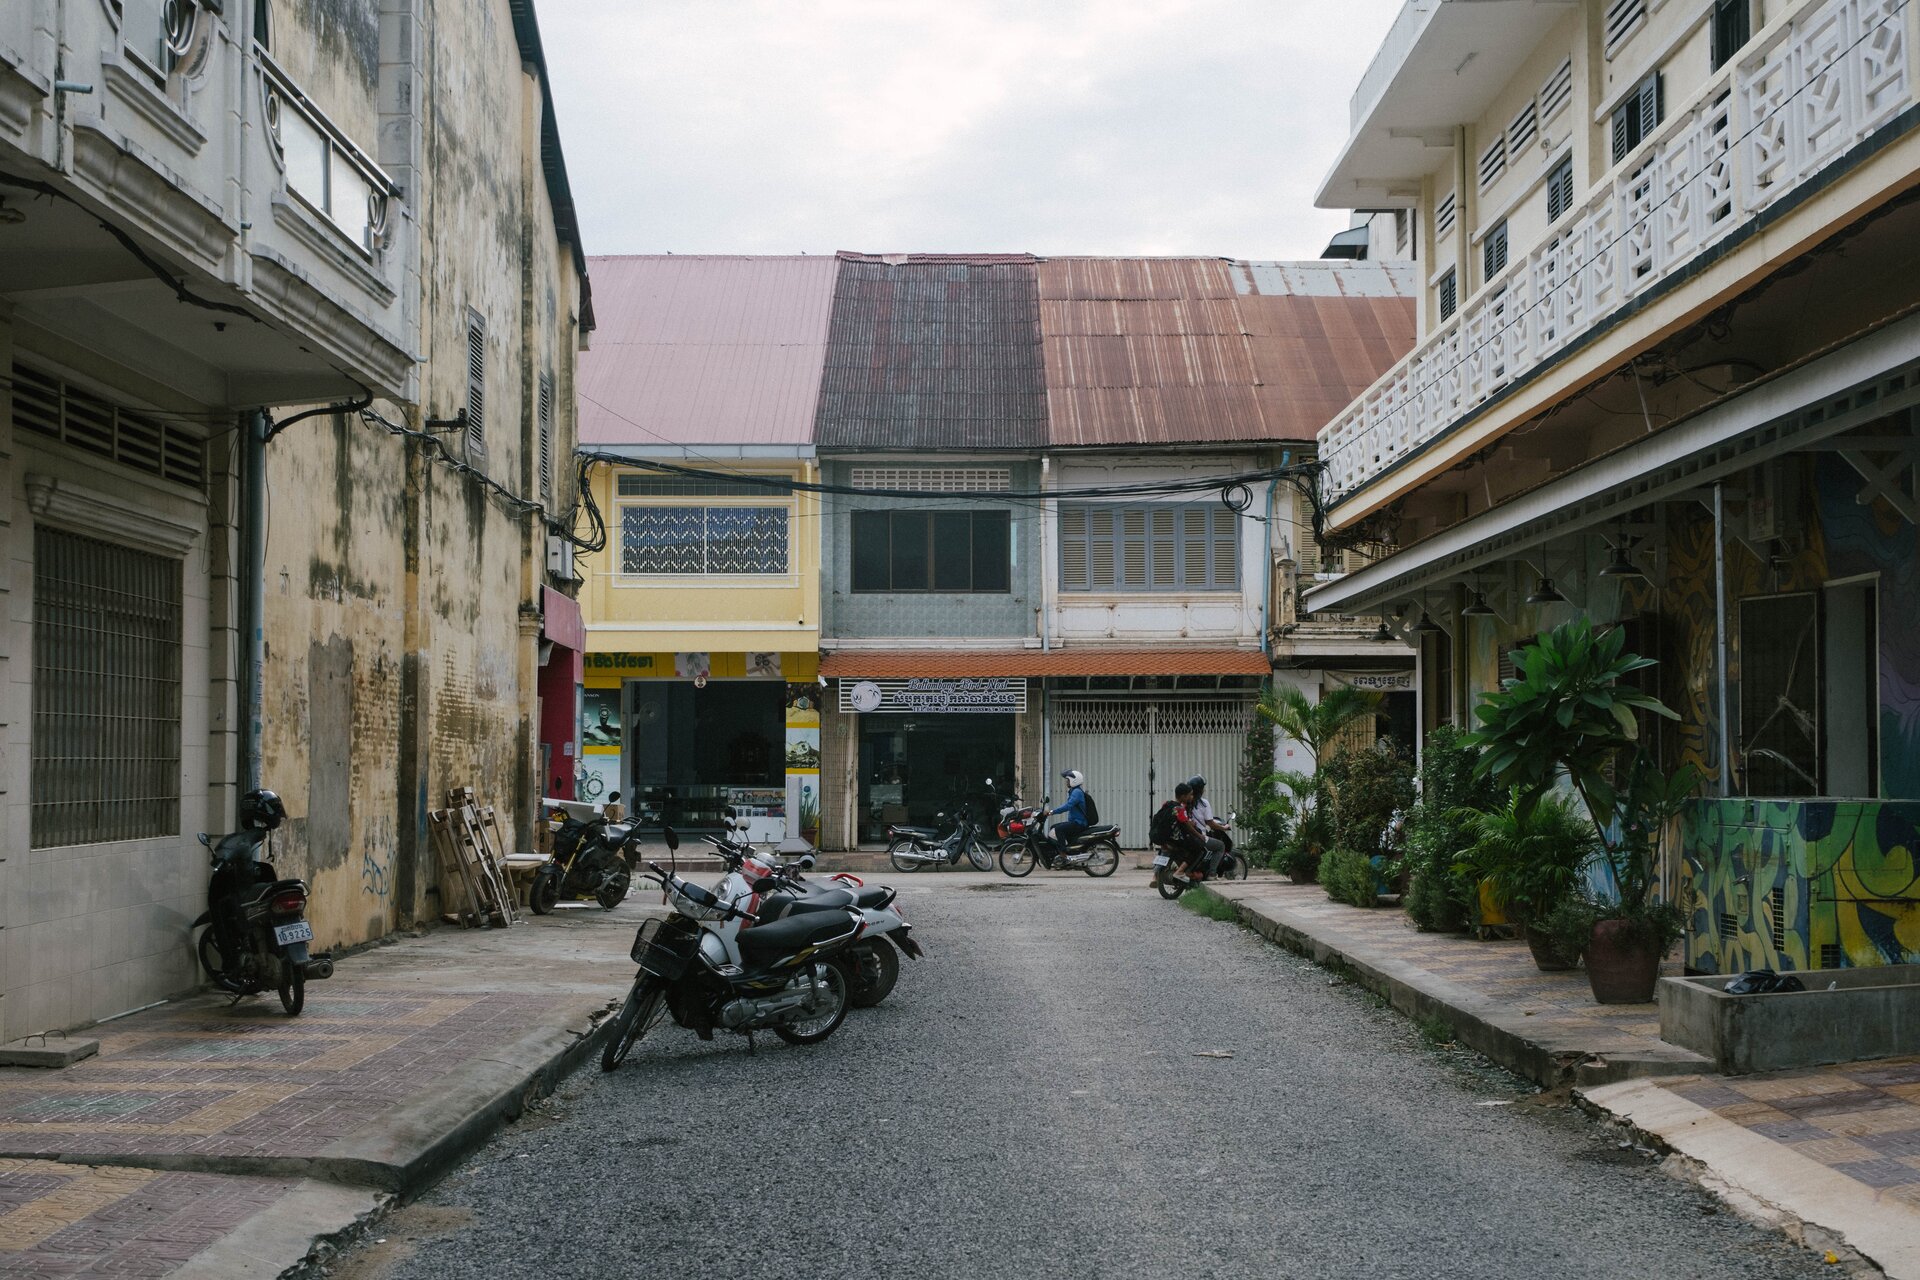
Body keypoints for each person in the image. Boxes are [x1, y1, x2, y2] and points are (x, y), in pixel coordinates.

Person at [1150, 781, 1210, 883]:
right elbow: (1186, 824)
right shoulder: (1180, 808)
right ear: (1183, 796)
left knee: (1164, 851)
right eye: (1190, 795)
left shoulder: (1167, 804)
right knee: (1198, 849)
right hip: (1176, 838)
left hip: (1165, 837)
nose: (1191, 797)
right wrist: (1199, 835)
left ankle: (1155, 876)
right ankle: (1180, 871)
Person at [1188, 776, 1231, 876]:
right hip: (1198, 836)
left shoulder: (1186, 802)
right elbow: (1210, 823)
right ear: (1201, 790)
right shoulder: (1204, 803)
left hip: (1187, 835)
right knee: (1220, 846)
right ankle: (1212, 874)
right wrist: (1223, 828)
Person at [1049, 769, 1091, 853]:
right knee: (1053, 827)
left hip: (1079, 823)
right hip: (1075, 822)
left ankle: (1063, 853)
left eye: (1068, 780)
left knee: (1058, 830)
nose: (1066, 782)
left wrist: (1053, 812)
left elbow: (1068, 806)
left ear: (1074, 781)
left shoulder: (1077, 792)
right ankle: (1070, 850)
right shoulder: (1074, 791)